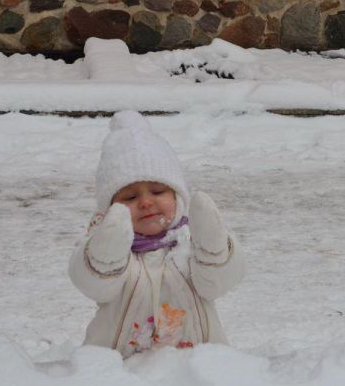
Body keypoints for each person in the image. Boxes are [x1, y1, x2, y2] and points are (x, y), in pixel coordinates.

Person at [68, 110, 245, 359]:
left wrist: (213, 247)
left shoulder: (190, 244)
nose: (146, 202)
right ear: (110, 207)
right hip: (118, 374)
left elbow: (218, 283)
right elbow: (95, 286)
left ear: (177, 196)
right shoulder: (106, 248)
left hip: (198, 369)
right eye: (130, 197)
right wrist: (107, 250)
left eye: (158, 191)